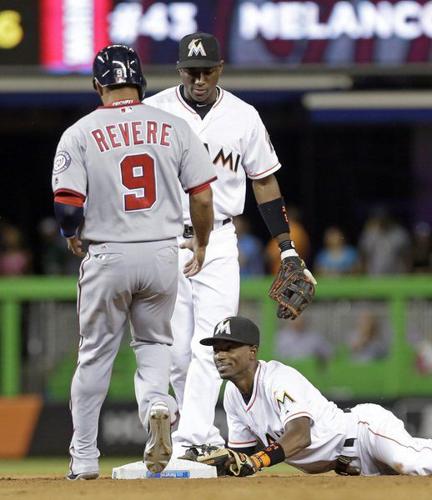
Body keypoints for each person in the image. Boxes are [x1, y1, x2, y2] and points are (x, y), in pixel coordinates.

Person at [144, 32, 316, 453]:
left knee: (212, 342)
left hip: (219, 239)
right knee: (177, 352)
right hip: (165, 237)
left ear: (220, 69)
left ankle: (191, 438)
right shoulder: (155, 110)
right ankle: (197, 433)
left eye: (207, 70)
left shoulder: (243, 115)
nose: (199, 78)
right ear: (180, 70)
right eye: (191, 70)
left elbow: (265, 181)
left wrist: (287, 247)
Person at [51, 44, 215, 479]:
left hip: (108, 252)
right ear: (139, 81)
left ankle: (85, 459)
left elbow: (67, 206)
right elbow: (201, 195)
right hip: (162, 252)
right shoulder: (175, 125)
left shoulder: (80, 132)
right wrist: (200, 243)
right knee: (154, 343)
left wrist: (71, 235)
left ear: (97, 84)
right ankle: (157, 405)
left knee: (95, 356)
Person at [199, 316, 432, 476]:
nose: (220, 355)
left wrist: (256, 462)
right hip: (349, 466)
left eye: (228, 347)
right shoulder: (232, 395)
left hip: (364, 433)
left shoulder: (278, 378)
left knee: (414, 464)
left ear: (252, 352)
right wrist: (217, 464)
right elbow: (243, 457)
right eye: (216, 349)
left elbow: (300, 436)